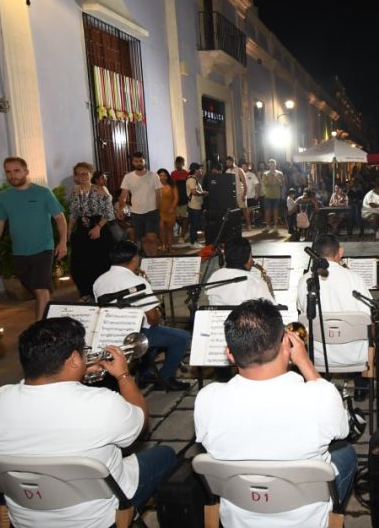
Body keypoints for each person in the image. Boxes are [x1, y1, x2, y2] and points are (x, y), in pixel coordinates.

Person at [194, 299, 355, 528]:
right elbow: (342, 430)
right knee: (346, 452)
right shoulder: (320, 396)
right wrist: (305, 364)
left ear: (229, 354)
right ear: (286, 345)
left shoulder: (206, 400)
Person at [0, 317, 176, 528]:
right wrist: (123, 375)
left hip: (26, 523)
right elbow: (141, 422)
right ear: (73, 359)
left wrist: (76, 375)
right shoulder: (101, 403)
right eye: (83, 352)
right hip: (97, 523)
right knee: (166, 455)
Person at [93, 241, 192, 391]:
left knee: (156, 334)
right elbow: (153, 319)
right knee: (181, 337)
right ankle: (166, 378)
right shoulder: (137, 282)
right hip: (134, 335)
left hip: (109, 332)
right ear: (133, 259)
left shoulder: (98, 280)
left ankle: (146, 372)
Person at [0, 157, 68, 321]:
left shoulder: (43, 193)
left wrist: (62, 242)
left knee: (40, 290)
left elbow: (59, 217)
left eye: (17, 171)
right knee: (35, 289)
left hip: (43, 248)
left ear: (26, 171)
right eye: (8, 172)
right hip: (19, 251)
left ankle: (39, 330)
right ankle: (51, 316)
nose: (13, 175)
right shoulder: (5, 196)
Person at [297, 234, 373, 376]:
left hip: (318, 357)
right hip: (354, 356)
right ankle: (361, 388)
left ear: (314, 254)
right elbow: (368, 317)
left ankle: (321, 382)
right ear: (340, 252)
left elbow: (303, 314)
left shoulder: (304, 281)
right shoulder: (355, 279)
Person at [67, 162, 115, 301]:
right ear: (75, 177)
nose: (82, 176)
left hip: (99, 228)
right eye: (79, 174)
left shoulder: (101, 190)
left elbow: (109, 212)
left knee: (100, 263)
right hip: (82, 230)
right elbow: (73, 213)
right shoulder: (75, 190)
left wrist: (98, 227)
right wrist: (69, 230)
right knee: (78, 264)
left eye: (85, 173)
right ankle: (85, 293)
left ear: (91, 174)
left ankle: (101, 293)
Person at [206, 237, 274, 306]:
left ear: (225, 256)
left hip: (215, 316)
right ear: (249, 257)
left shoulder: (215, 276)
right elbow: (272, 308)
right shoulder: (255, 281)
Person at [117, 151, 161, 257]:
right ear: (133, 162)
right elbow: (123, 195)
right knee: (143, 238)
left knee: (152, 237)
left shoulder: (153, 176)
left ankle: (154, 258)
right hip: (136, 212)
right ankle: (149, 259)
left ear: (144, 161)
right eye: (136, 161)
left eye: (141, 160)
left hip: (152, 210)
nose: (139, 163)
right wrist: (120, 209)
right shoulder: (128, 177)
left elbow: (159, 195)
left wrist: (158, 210)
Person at [262, 159, 286, 231]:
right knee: (268, 211)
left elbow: (282, 184)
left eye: (273, 164)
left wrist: (277, 179)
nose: (272, 166)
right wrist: (272, 179)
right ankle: (267, 225)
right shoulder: (265, 173)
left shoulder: (280, 173)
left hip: (276, 195)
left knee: (276, 211)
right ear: (268, 165)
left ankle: (275, 226)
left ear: (276, 165)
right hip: (268, 195)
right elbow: (266, 184)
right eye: (271, 164)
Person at [157, 169, 178, 251]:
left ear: (167, 176)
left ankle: (170, 246)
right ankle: (163, 245)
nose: (162, 177)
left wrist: (173, 207)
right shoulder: (155, 186)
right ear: (158, 176)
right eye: (160, 175)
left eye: (164, 175)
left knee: (169, 229)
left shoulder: (172, 185)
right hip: (159, 211)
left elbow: (176, 197)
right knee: (161, 228)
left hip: (170, 211)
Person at [186, 162, 206, 248]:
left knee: (196, 224)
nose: (201, 170)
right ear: (196, 170)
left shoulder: (194, 179)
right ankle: (193, 242)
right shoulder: (191, 180)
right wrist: (204, 193)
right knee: (194, 224)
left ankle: (195, 241)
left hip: (196, 205)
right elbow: (194, 192)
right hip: (193, 206)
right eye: (200, 169)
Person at [224, 156, 247, 228]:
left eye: (229, 162)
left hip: (240, 193)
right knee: (233, 211)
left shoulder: (239, 170)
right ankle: (236, 225)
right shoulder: (227, 171)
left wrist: (244, 195)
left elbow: (245, 183)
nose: (227, 164)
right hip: (232, 194)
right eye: (226, 162)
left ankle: (249, 225)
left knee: (244, 210)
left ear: (233, 162)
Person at [171, 156, 190, 242]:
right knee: (176, 218)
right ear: (175, 164)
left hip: (184, 199)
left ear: (183, 163)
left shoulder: (186, 173)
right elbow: (172, 186)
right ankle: (185, 229)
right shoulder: (173, 174)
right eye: (177, 163)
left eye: (180, 163)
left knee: (184, 217)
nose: (179, 165)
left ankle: (182, 235)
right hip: (175, 199)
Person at [242, 160, 260, 229]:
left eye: (244, 166)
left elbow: (257, 184)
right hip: (243, 195)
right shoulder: (240, 174)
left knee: (251, 210)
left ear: (247, 167)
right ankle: (247, 223)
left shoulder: (252, 174)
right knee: (245, 210)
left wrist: (257, 193)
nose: (243, 168)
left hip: (251, 195)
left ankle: (251, 222)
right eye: (242, 167)